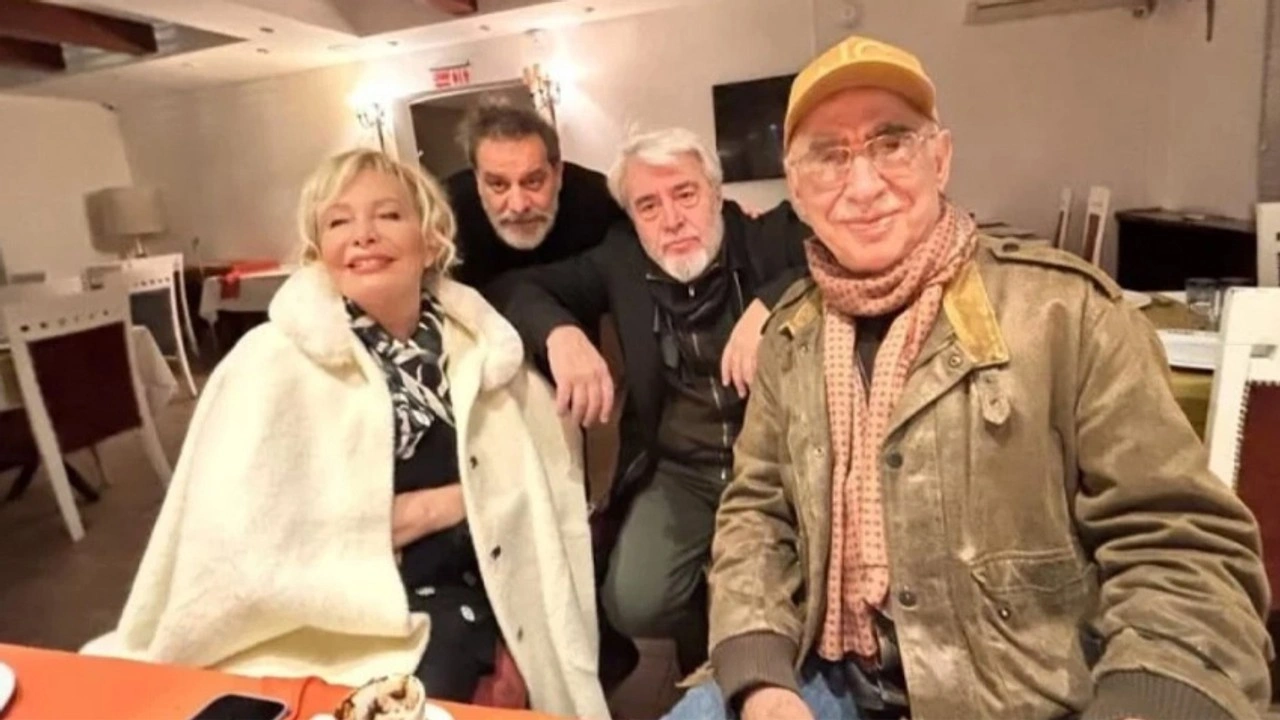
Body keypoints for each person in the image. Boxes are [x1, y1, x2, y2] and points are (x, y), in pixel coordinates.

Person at [666, 35, 1272, 720]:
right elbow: (756, 513)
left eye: (892, 144)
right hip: (828, 670)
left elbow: (1182, 549)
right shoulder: (791, 336)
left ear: (941, 159)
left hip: (1022, 694)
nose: (863, 186)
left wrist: (1142, 702)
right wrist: (760, 679)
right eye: (830, 157)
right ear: (798, 191)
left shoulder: (1065, 313)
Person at [84, 149, 610, 719]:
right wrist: (450, 504)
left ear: (430, 239)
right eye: (338, 221)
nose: (362, 235)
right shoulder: (267, 365)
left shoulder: (482, 352)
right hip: (320, 614)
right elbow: (245, 541)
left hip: (467, 592)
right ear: (319, 251)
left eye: (388, 215)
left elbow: (537, 496)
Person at [491, 127, 811, 676]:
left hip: (778, 462)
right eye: (648, 205)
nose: (671, 219)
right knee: (632, 602)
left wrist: (770, 304)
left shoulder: (765, 236)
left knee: (810, 587)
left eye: (685, 194)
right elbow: (515, 290)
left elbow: (836, 249)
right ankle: (706, 641)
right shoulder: (620, 260)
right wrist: (560, 335)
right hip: (681, 468)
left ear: (716, 193)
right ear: (633, 217)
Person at [445, 98, 625, 291]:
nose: (518, 206)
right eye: (498, 184)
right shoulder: (444, 217)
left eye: (533, 182)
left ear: (558, 173)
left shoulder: (603, 202)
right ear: (477, 180)